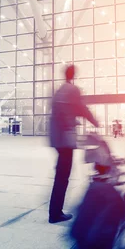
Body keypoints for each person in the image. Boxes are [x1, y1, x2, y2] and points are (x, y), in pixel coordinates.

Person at [49, 64, 99, 224]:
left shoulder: (59, 91)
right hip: (66, 139)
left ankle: (55, 210)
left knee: (60, 175)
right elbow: (82, 108)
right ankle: (55, 214)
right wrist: (94, 121)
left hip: (58, 139)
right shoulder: (72, 90)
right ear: (74, 75)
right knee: (63, 176)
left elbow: (62, 110)